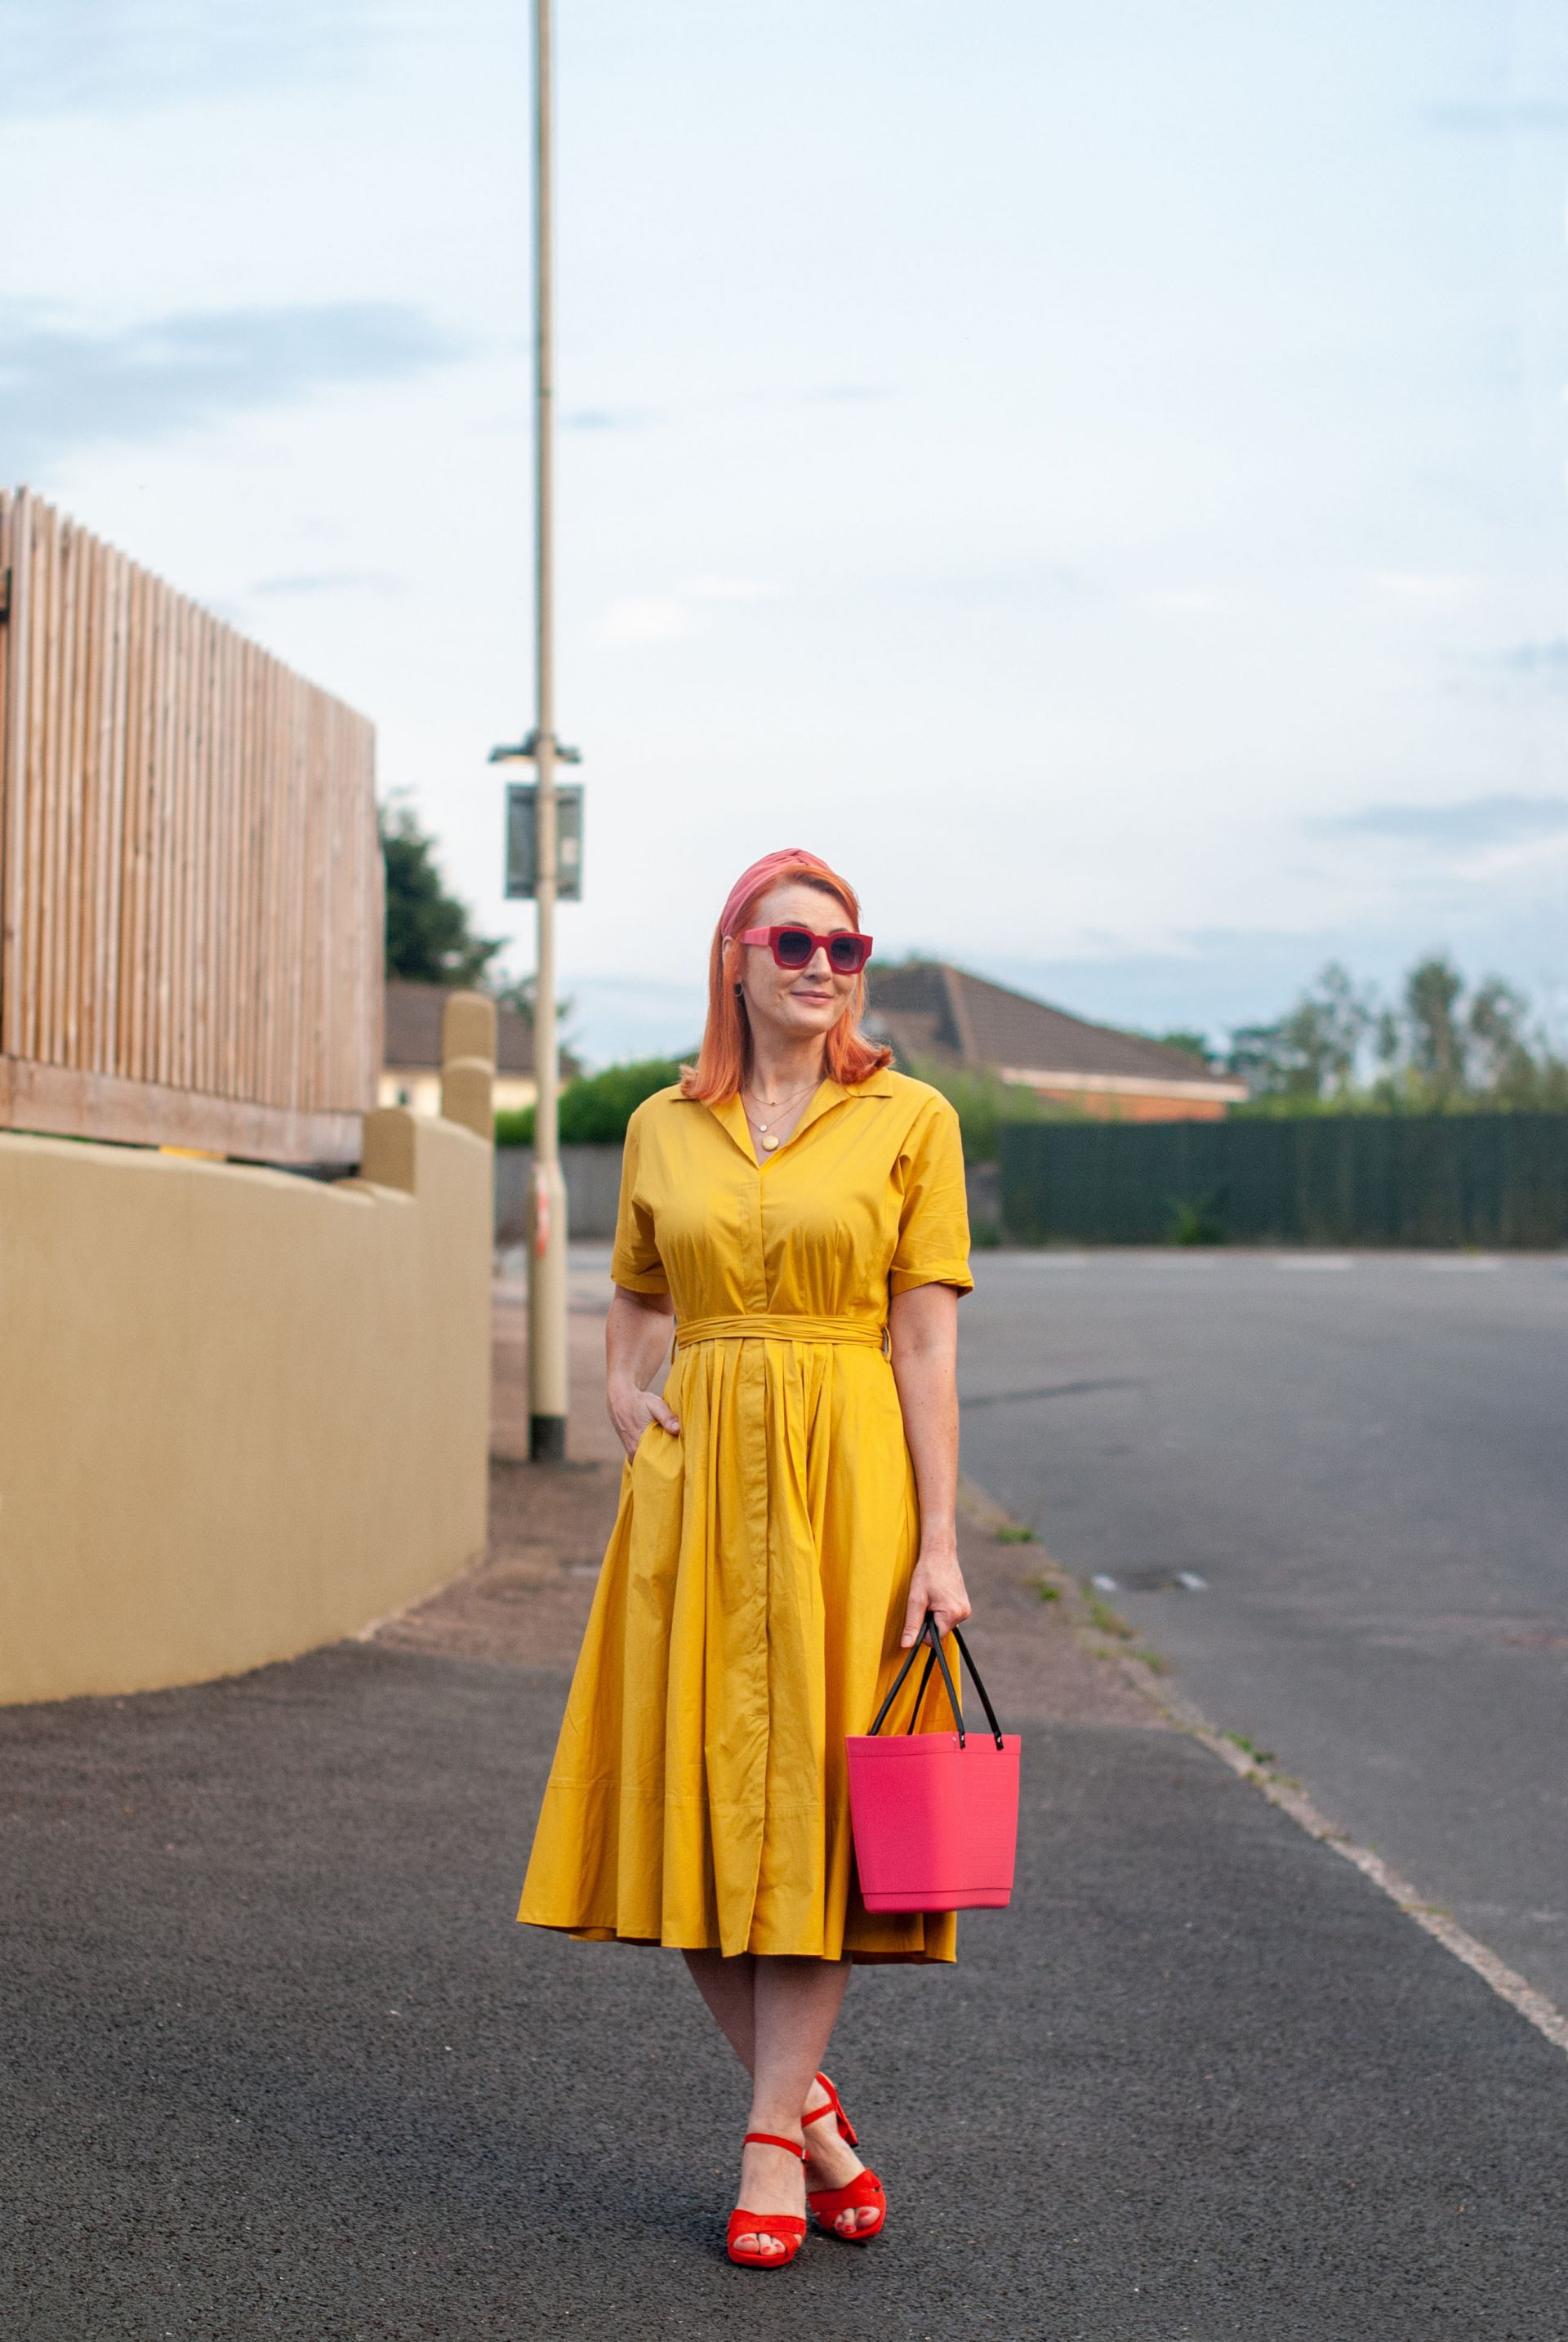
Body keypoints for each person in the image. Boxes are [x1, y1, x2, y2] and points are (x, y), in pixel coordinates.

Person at [518, 847, 973, 2269]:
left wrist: (942, 1541)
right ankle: (818, 2118)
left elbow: (925, 1341)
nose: (823, 971)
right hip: (697, 1484)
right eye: (794, 946)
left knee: (821, 1823)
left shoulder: (913, 1118)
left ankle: (770, 2144)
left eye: (846, 951)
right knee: (695, 1814)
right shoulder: (662, 1123)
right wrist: (616, 1389)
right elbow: (637, 1296)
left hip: (850, 1484)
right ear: (735, 958)